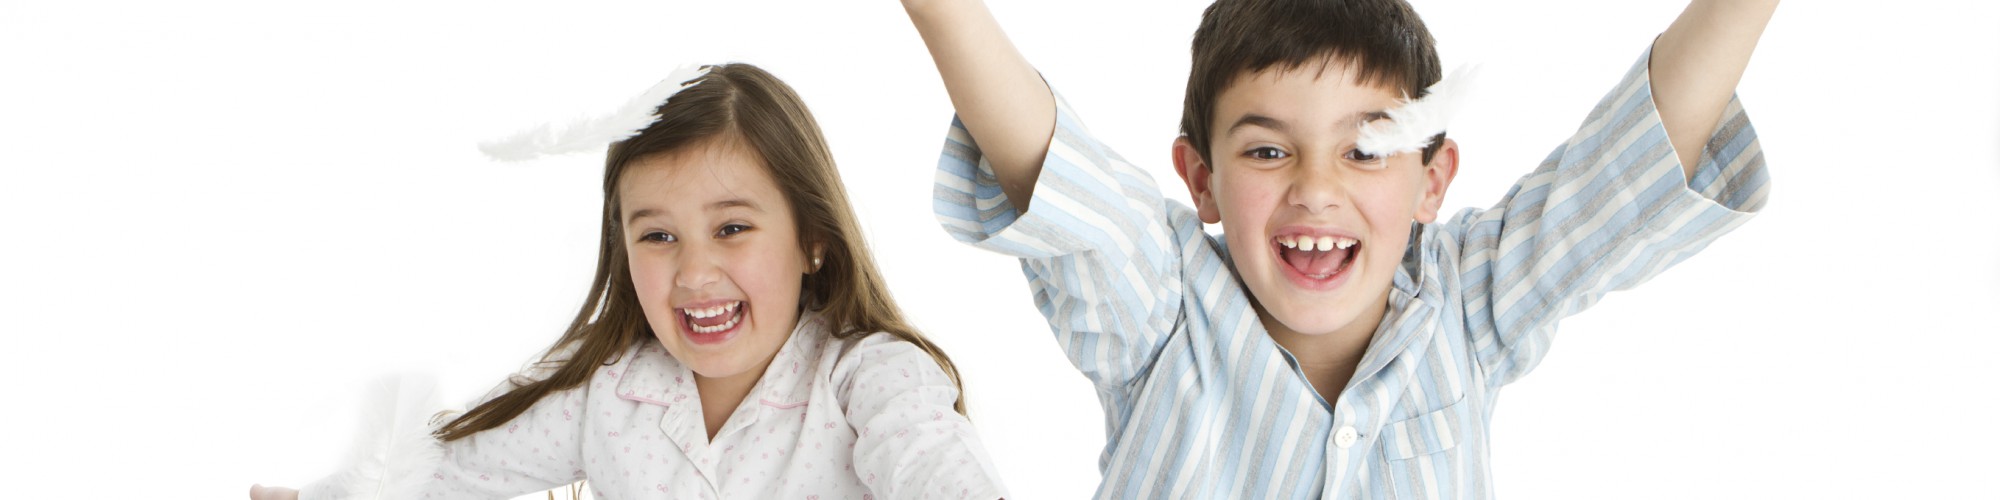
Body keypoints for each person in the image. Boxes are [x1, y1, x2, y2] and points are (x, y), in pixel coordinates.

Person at [903, 0, 1775, 496]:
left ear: (1433, 182)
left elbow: (1619, 175)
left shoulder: (1468, 307)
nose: (1316, 187)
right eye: (1268, 150)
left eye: (1365, 149)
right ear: (1201, 180)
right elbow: (1049, 165)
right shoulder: (1162, 313)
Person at [250, 63, 1007, 500]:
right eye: (658, 235)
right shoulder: (607, 394)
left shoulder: (868, 378)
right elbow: (438, 474)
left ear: (813, 239)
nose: (694, 272)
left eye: (733, 228)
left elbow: (934, 467)